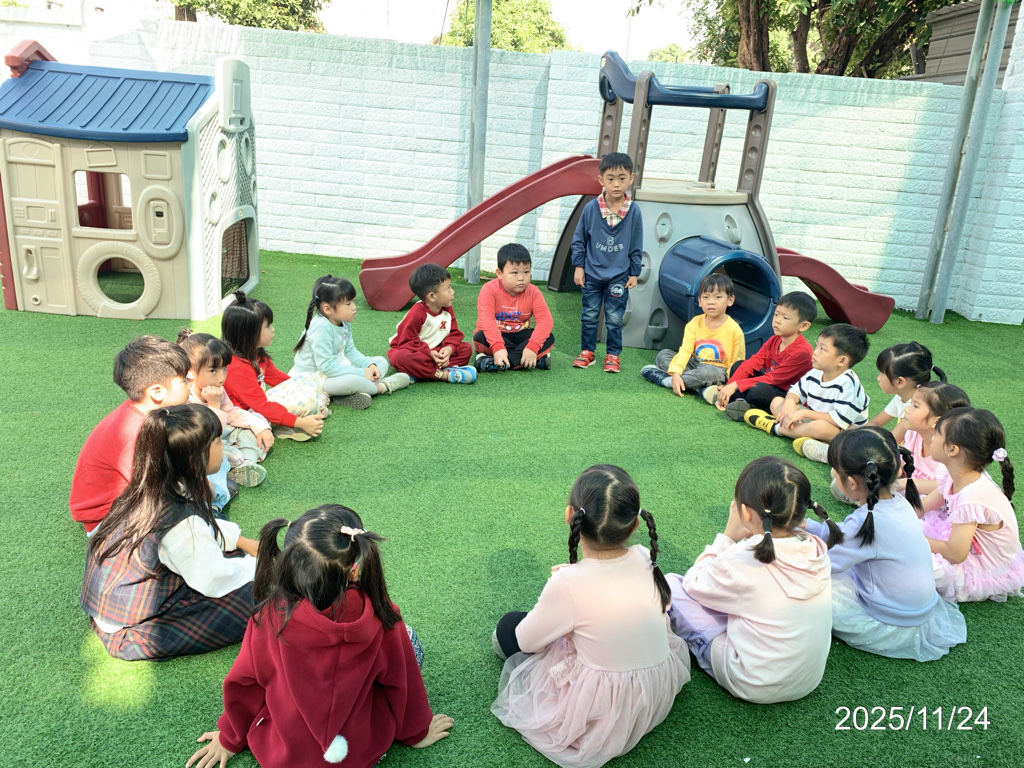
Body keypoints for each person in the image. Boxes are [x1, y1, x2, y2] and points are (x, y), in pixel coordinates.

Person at [187, 505, 452, 768]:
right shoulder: (381, 614)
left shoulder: (268, 619)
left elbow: (245, 683)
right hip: (357, 753)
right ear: (354, 569)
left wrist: (230, 737)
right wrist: (416, 731)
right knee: (409, 640)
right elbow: (401, 677)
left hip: (284, 756)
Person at [491, 465, 689, 768]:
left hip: (601, 708)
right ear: (635, 524)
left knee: (507, 628)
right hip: (656, 689)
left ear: (569, 515)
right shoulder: (643, 556)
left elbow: (526, 642)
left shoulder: (567, 583)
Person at [80, 404, 258, 661]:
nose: (223, 447)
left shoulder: (151, 486)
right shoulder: (181, 522)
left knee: (232, 554)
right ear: (194, 459)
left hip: (111, 606)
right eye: (218, 442)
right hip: (131, 630)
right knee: (253, 598)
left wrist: (242, 542)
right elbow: (214, 579)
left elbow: (204, 526)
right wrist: (260, 565)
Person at [666, 456, 835, 703]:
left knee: (672, 584)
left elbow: (694, 584)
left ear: (745, 512)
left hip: (753, 682)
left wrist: (727, 536)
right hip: (808, 680)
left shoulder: (744, 558)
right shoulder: (817, 549)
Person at [809, 426, 967, 660]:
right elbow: (845, 535)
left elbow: (824, 563)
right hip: (919, 614)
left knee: (810, 589)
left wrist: (791, 544)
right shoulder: (900, 503)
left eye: (836, 471)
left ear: (851, 483)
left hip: (888, 626)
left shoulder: (866, 522)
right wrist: (809, 526)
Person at [70, 336, 192, 534]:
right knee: (187, 518)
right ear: (157, 392)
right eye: (184, 380)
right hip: (107, 519)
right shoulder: (135, 434)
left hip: (127, 501)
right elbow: (155, 488)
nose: (190, 384)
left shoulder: (145, 413)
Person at [922, 408, 1024, 603]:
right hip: (963, 545)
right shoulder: (957, 474)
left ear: (952, 450)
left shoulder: (971, 498)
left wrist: (912, 538)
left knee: (916, 566)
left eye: (937, 434)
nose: (932, 438)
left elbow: (955, 555)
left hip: (980, 568)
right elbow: (924, 506)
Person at [743, 323, 869, 464]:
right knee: (777, 401)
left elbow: (837, 420)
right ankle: (801, 433)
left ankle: (776, 427)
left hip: (842, 432)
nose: (815, 352)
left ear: (842, 360)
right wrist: (790, 402)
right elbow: (795, 391)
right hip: (812, 419)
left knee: (820, 427)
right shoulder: (816, 372)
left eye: (822, 349)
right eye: (817, 346)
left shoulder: (849, 385)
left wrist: (803, 413)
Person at [290, 274, 411, 409]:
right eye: (348, 304)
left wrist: (369, 365)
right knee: (354, 381)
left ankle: (346, 393)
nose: (354, 307)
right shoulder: (321, 328)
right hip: (314, 379)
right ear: (327, 309)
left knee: (381, 362)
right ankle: (383, 387)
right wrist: (361, 373)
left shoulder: (343, 321)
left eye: (353, 302)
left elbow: (349, 351)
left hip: (337, 368)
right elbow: (326, 367)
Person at [570, 152, 643, 374]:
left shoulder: (633, 211)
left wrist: (634, 272)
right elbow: (579, 240)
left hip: (619, 275)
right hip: (592, 273)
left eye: (622, 178)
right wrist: (579, 266)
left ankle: (613, 355)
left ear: (631, 178)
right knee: (589, 315)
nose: (616, 184)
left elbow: (636, 243)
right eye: (610, 179)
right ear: (601, 180)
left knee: (614, 317)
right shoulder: (591, 209)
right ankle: (587, 352)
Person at [222, 290, 326, 442]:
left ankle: (310, 409)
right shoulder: (236, 368)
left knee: (308, 378)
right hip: (245, 414)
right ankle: (290, 425)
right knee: (307, 402)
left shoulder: (255, 353)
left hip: (259, 404)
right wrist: (299, 423)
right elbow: (261, 406)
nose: (273, 329)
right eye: (268, 326)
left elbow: (277, 378)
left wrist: (306, 388)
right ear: (249, 333)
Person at [178, 330, 272, 488]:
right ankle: (227, 465)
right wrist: (214, 404)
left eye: (224, 369)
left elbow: (232, 412)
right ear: (190, 372)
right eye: (213, 371)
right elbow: (209, 436)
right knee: (209, 455)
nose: (221, 378)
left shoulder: (216, 387)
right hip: (205, 444)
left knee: (256, 422)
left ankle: (246, 464)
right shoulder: (185, 398)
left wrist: (260, 426)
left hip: (223, 435)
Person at [641, 274, 745, 399]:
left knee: (707, 373)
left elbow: (737, 362)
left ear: (730, 300)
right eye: (706, 297)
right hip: (695, 365)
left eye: (718, 297)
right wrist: (676, 372)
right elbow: (685, 350)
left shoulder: (734, 330)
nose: (711, 302)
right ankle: (699, 388)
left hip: (718, 370)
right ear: (700, 301)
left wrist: (729, 385)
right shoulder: (695, 323)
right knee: (663, 355)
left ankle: (666, 380)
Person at [717, 291, 816, 419]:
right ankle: (737, 400)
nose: (777, 321)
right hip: (769, 383)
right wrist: (729, 385)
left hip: (785, 395)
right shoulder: (775, 339)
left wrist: (736, 385)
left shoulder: (802, 352)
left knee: (758, 390)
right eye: (776, 314)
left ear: (803, 326)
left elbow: (772, 379)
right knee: (739, 365)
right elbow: (752, 363)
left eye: (785, 318)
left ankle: (740, 401)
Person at [387, 263, 476, 384]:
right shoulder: (417, 312)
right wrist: (428, 353)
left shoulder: (446, 308)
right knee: (400, 357)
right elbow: (406, 341)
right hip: (415, 350)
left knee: (466, 349)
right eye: (448, 288)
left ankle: (419, 372)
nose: (453, 292)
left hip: (436, 351)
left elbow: (454, 333)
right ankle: (443, 375)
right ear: (432, 296)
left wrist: (449, 348)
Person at [473, 243, 554, 372]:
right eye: (514, 273)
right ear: (500, 273)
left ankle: (500, 362)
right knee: (480, 337)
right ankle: (531, 360)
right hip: (494, 336)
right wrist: (498, 347)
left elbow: (545, 321)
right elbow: (486, 320)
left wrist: (532, 347)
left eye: (526, 272)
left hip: (519, 336)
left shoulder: (534, 291)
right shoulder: (489, 289)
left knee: (548, 337)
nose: (521, 278)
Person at [865, 342, 946, 442]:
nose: (878, 378)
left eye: (882, 374)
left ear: (900, 382)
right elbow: (876, 422)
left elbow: (892, 441)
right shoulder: (902, 396)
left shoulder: (915, 407)